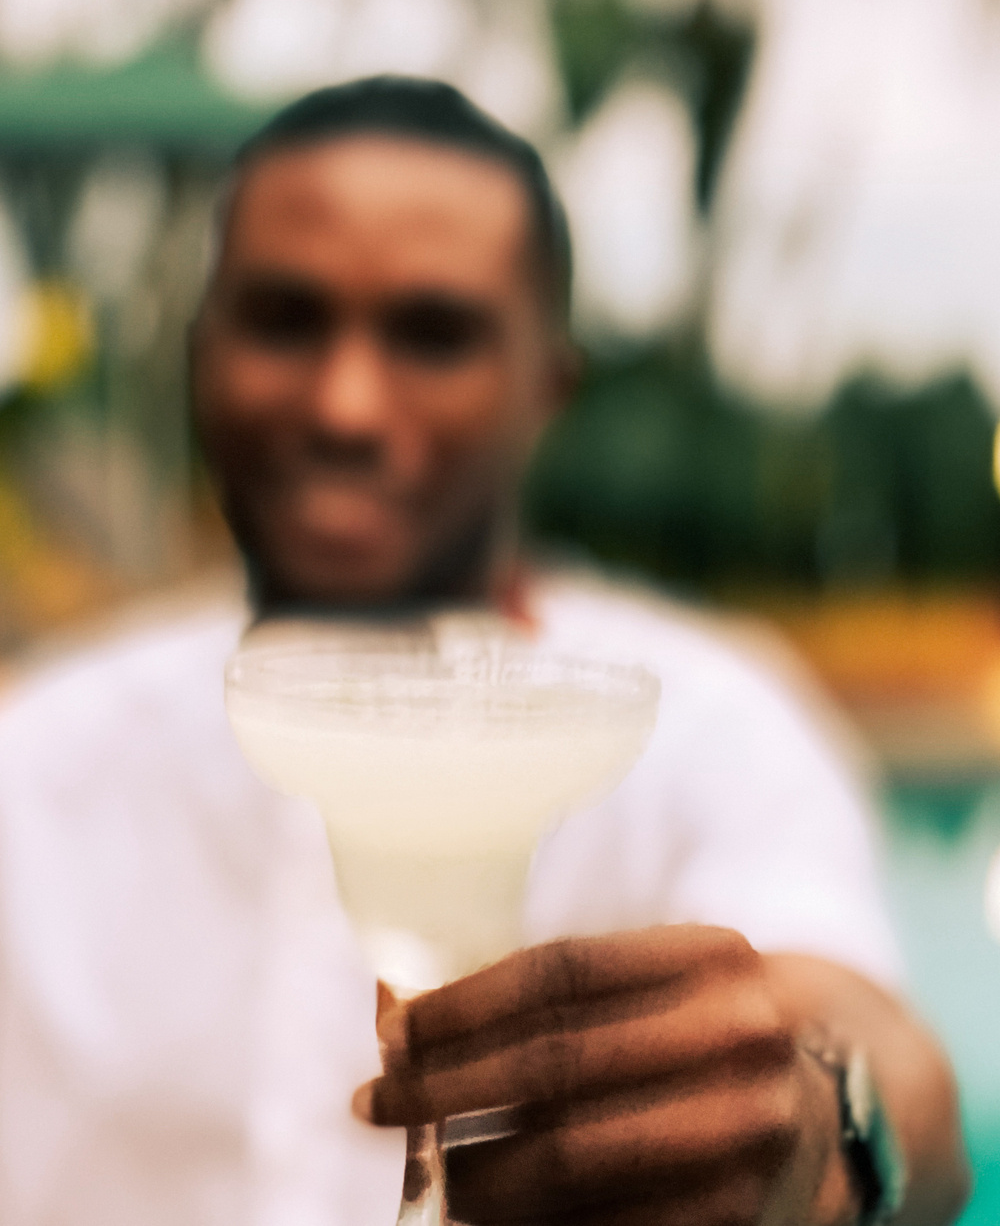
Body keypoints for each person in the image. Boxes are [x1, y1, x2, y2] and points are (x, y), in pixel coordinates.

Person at [0, 77, 968, 1226]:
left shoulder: (703, 728)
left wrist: (823, 1124)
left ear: (546, 384)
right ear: (203, 353)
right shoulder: (36, 758)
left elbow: (880, 1060)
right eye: (285, 320)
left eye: (433, 333)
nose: (348, 403)